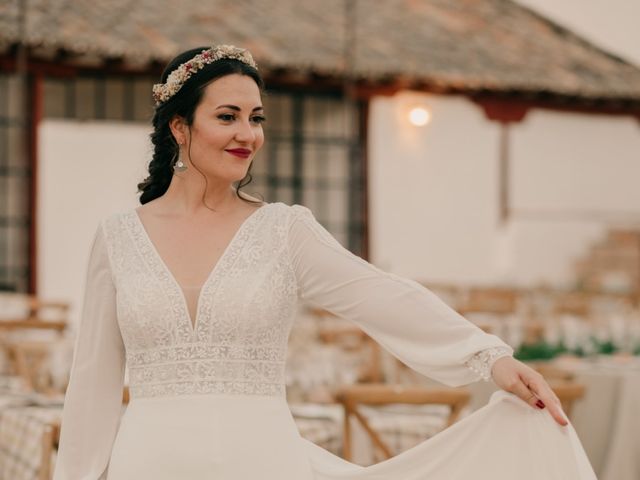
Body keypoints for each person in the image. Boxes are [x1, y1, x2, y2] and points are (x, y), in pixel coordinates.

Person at [53, 45, 596, 479]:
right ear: (179, 126)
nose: (248, 134)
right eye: (228, 116)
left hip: (263, 461)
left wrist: (490, 358)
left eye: (256, 118)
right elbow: (91, 382)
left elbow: (381, 295)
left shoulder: (284, 230)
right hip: (148, 464)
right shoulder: (118, 237)